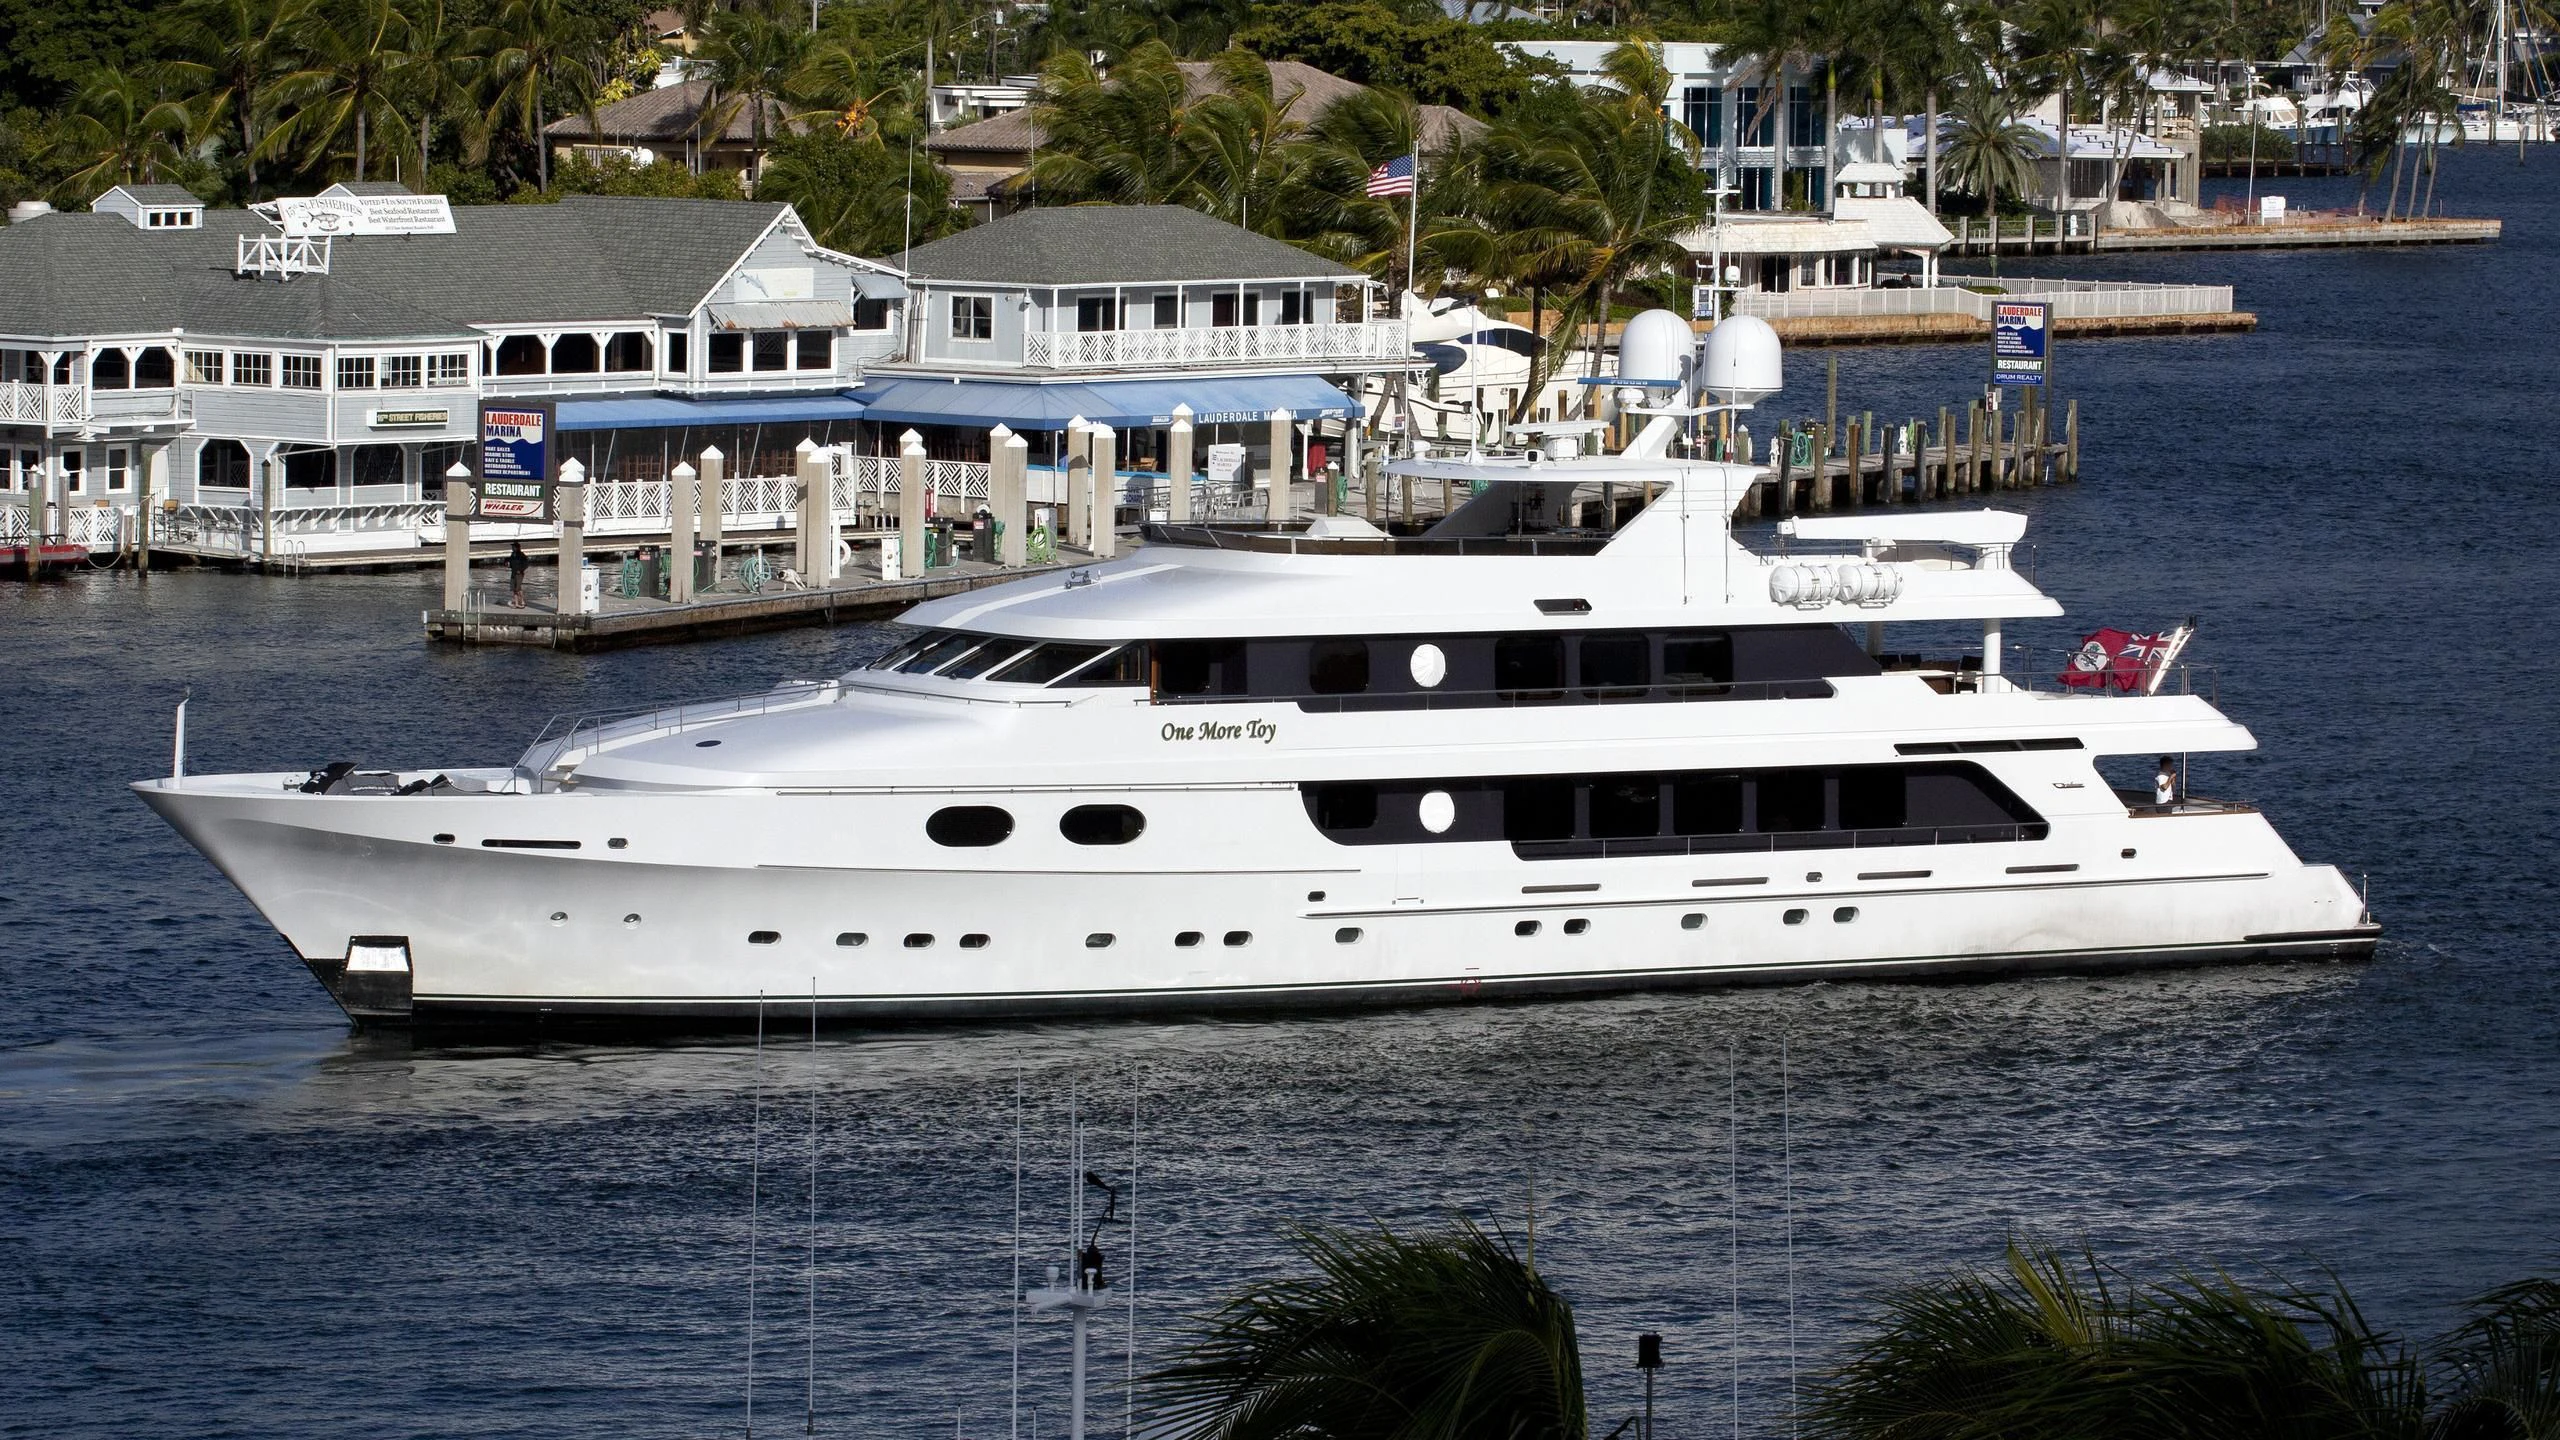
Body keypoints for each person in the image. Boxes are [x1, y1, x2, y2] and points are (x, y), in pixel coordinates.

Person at [506, 541, 530, 607]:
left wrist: (520, 570)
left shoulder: (521, 555)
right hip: (513, 573)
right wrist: (507, 564)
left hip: (519, 574)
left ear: (517, 547)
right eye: (512, 547)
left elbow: (526, 564)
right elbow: (510, 562)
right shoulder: (512, 554)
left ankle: (521, 601)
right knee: (514, 589)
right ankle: (517, 603)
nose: (512, 548)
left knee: (517, 589)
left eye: (513, 547)